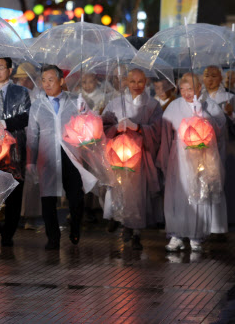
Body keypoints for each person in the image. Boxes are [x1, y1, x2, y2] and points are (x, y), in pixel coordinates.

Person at [26, 65, 94, 250]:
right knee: (48, 199)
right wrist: (31, 161)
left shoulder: (75, 100)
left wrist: (84, 114)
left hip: (70, 155)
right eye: (44, 80)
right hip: (47, 157)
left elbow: (89, 123)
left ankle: (75, 226)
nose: (47, 84)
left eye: (51, 80)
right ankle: (53, 238)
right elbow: (32, 134)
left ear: (61, 81)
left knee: (76, 197)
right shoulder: (38, 105)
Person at [158, 73, 227, 252]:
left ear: (199, 88)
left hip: (201, 157)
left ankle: (197, 234)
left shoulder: (209, 106)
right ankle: (176, 234)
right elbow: (165, 134)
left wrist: (203, 116)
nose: (187, 93)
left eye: (191, 88)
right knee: (179, 193)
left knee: (198, 192)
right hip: (179, 157)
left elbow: (220, 131)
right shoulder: (174, 106)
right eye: (183, 89)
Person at [101, 69, 163, 250]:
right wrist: (116, 128)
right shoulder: (115, 103)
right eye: (132, 81)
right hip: (117, 154)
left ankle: (135, 231)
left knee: (137, 194)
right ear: (126, 82)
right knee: (117, 190)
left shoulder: (153, 105)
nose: (136, 86)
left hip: (139, 156)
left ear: (147, 82)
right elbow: (104, 125)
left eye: (140, 81)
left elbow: (157, 130)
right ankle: (118, 220)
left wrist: (138, 128)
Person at [0, 57, 31, 246]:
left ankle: (9, 232)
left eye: (1, 68)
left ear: (10, 70)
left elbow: (27, 116)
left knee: (14, 189)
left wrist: (6, 124)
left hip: (13, 147)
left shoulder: (21, 93)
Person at [201, 66, 235, 224]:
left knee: (223, 179)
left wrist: (231, 114)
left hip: (225, 145)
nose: (210, 79)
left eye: (214, 76)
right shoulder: (199, 97)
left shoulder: (229, 97)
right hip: (204, 146)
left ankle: (224, 220)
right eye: (207, 75)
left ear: (221, 78)